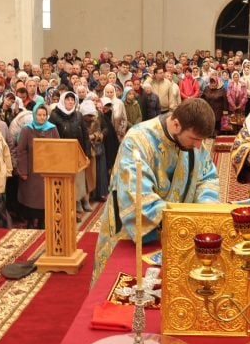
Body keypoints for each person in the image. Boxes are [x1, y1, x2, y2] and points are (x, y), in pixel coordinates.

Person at [91, 98, 220, 284]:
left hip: (176, 232)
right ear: (176, 124)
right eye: (195, 139)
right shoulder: (138, 140)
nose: (199, 146)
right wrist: (185, 218)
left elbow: (206, 177)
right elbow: (136, 196)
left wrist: (206, 206)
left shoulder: (191, 140)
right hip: (134, 233)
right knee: (125, 296)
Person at [15, 99, 60, 229]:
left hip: (47, 170)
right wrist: (22, 171)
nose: (41, 117)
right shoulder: (27, 130)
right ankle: (31, 222)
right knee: (31, 198)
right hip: (31, 170)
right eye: (39, 115)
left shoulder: (52, 129)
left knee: (45, 199)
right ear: (34, 115)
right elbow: (21, 151)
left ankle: (43, 222)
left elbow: (58, 148)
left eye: (44, 115)